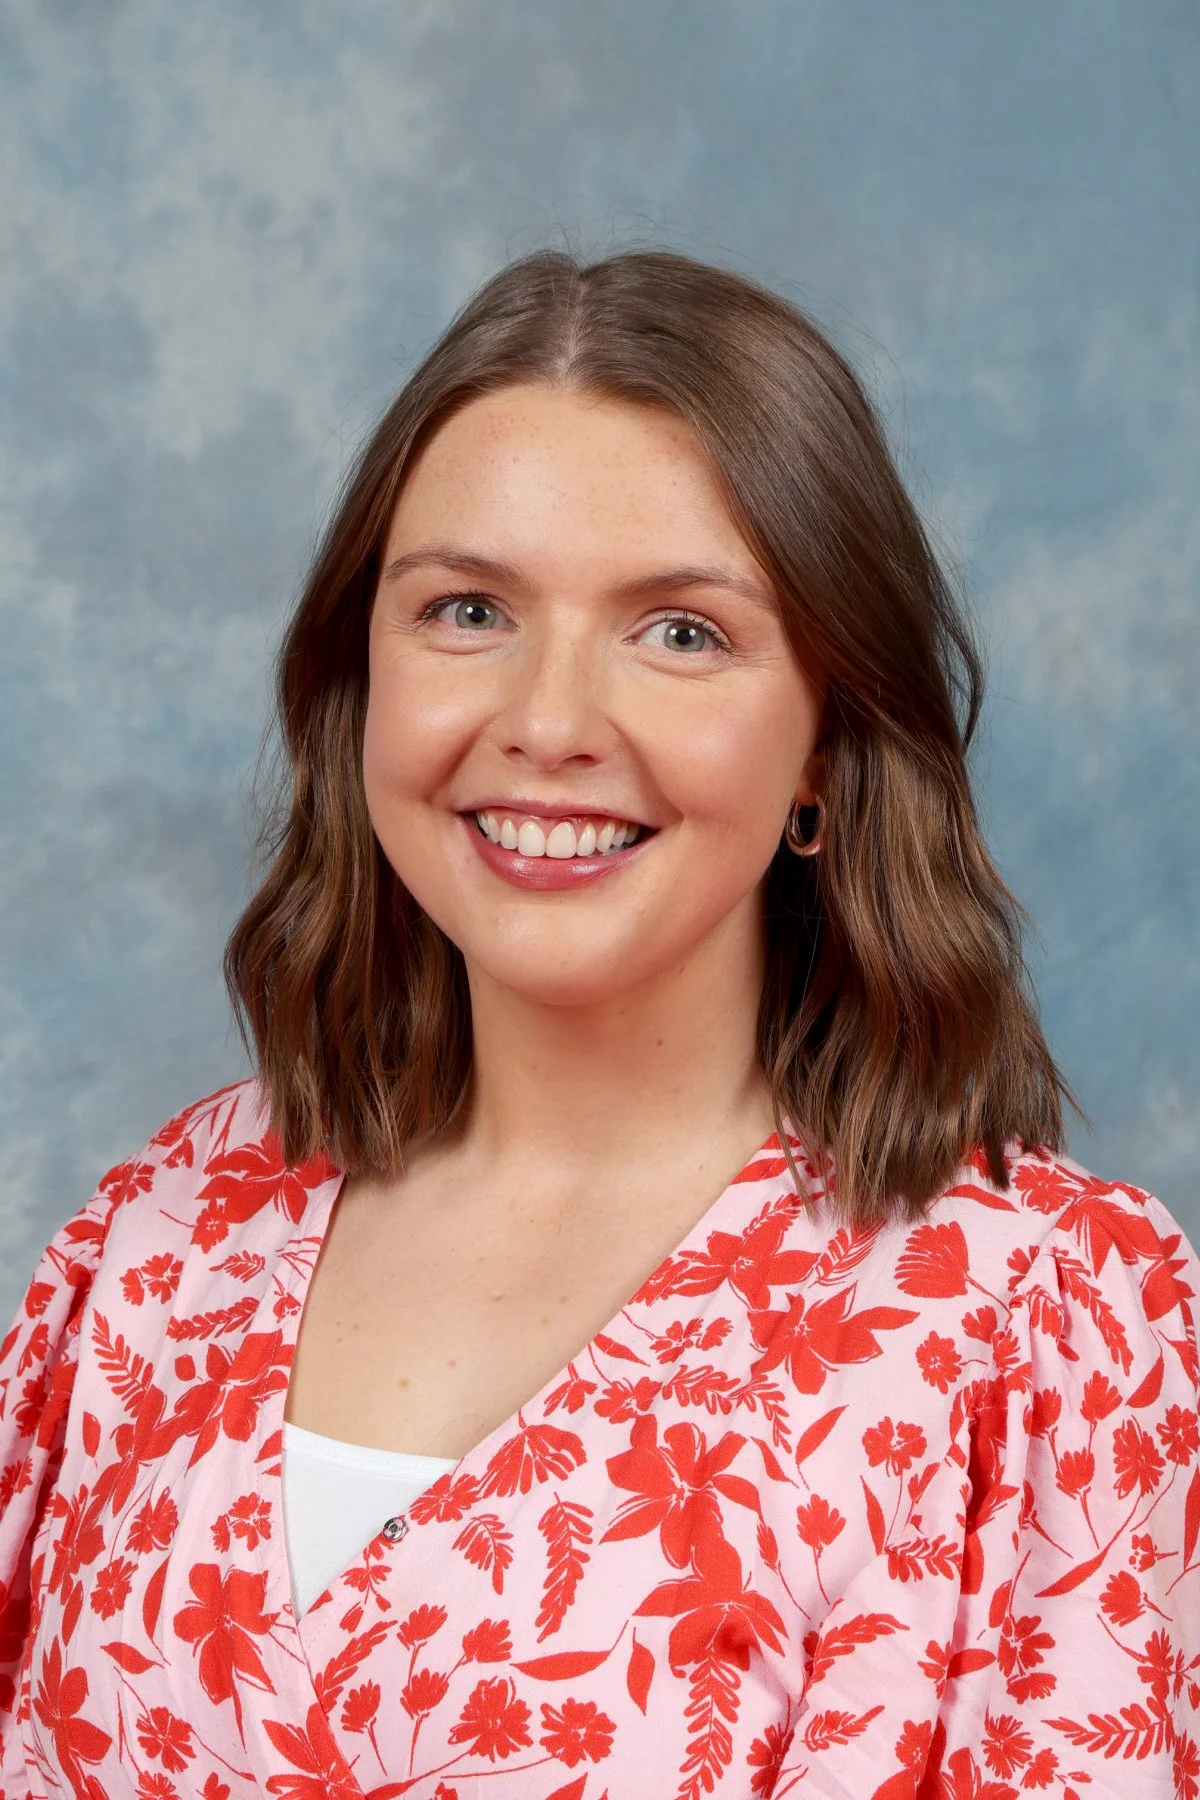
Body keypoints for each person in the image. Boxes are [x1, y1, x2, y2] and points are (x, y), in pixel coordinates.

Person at [1, 249, 1196, 1800]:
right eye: (469, 608)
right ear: (359, 677)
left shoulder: (1043, 1333)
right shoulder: (158, 1248)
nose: (551, 721)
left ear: (830, 744)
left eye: (681, 632)